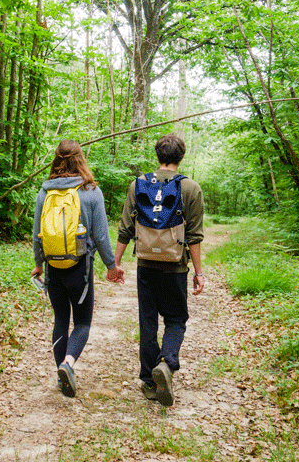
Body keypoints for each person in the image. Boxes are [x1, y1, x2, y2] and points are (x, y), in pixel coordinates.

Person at [112, 134, 204, 407]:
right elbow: (194, 236)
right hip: (175, 267)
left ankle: (150, 382)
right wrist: (198, 273)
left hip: (146, 265)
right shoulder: (191, 188)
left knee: (148, 321)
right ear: (181, 157)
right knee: (176, 318)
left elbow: (125, 228)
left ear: (158, 155)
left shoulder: (138, 184)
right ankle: (167, 361)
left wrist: (116, 263)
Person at [32, 139, 124, 398]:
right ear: (80, 159)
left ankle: (61, 378)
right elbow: (101, 236)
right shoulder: (91, 191)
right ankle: (68, 364)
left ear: (56, 159)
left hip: (53, 266)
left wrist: (38, 264)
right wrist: (112, 266)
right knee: (82, 322)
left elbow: (37, 234)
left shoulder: (44, 192)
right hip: (80, 267)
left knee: (61, 319)